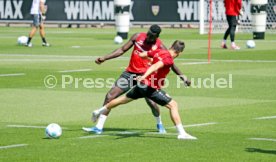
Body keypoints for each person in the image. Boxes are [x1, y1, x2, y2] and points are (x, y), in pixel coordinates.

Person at [82, 25, 191, 134]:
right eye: (148, 34)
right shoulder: (138, 36)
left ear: (157, 37)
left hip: (146, 78)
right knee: (110, 96)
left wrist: (183, 77)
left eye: (151, 37)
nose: (148, 37)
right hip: (129, 73)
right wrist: (104, 58)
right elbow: (121, 50)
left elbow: (170, 63)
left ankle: (159, 123)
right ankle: (99, 127)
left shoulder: (160, 46)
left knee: (152, 103)